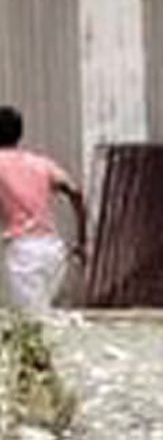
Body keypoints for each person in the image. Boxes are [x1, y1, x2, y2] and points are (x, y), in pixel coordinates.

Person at [0, 106, 87, 317]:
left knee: (31, 323)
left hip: (23, 251)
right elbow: (75, 193)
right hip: (53, 251)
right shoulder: (40, 163)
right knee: (36, 318)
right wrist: (82, 240)